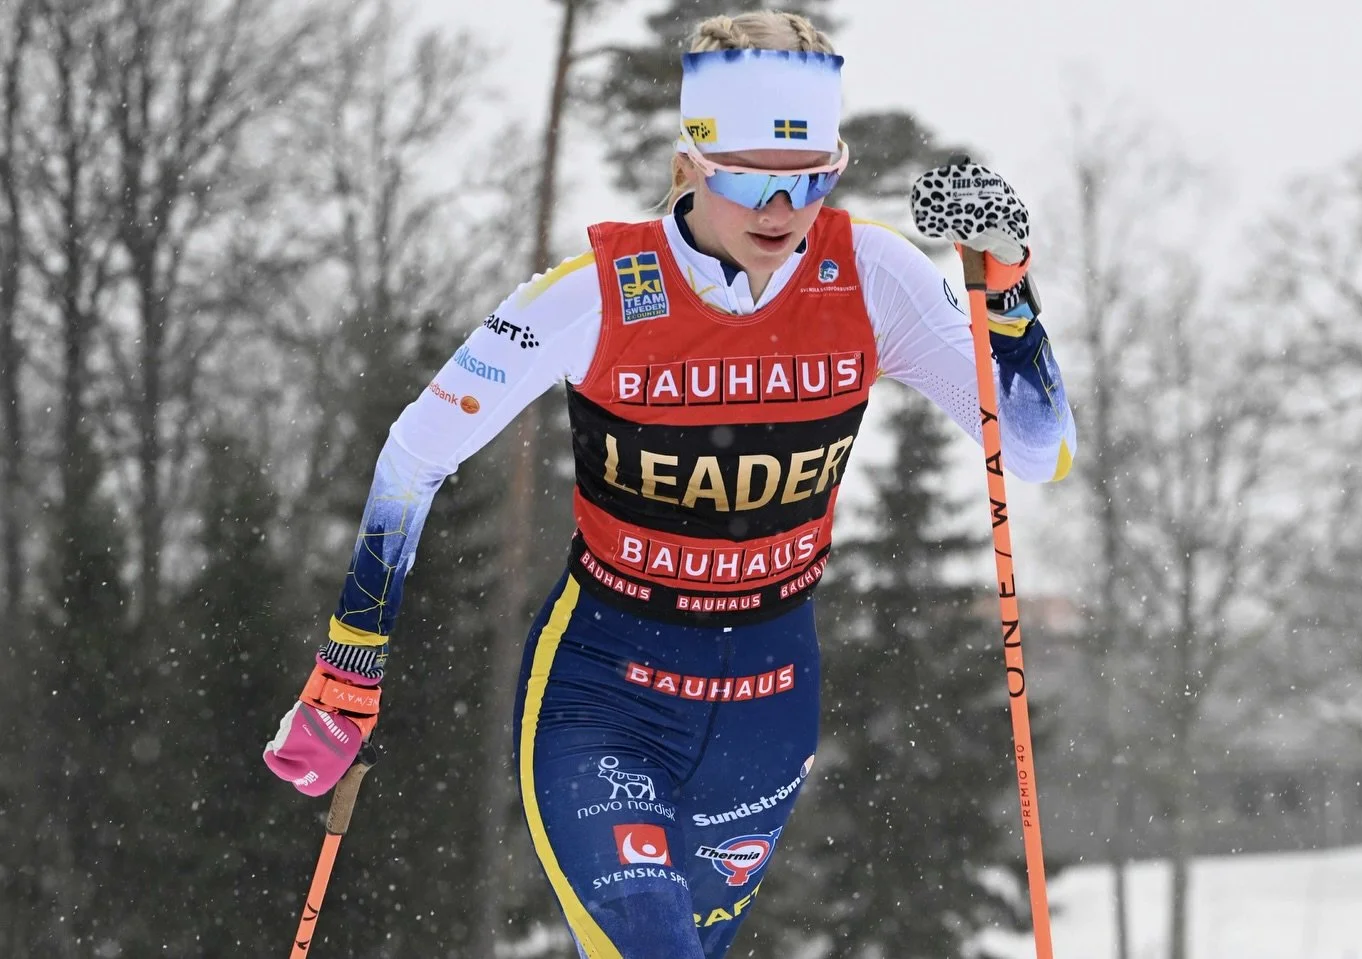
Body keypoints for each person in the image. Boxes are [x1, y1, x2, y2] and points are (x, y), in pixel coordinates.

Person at [263, 9, 1077, 958]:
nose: (783, 209)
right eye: (750, 179)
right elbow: (415, 454)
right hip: (604, 697)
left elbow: (1035, 450)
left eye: (811, 178)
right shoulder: (598, 292)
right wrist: (350, 661)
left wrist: (1008, 293)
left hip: (767, 709)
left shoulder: (871, 276)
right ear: (691, 162)